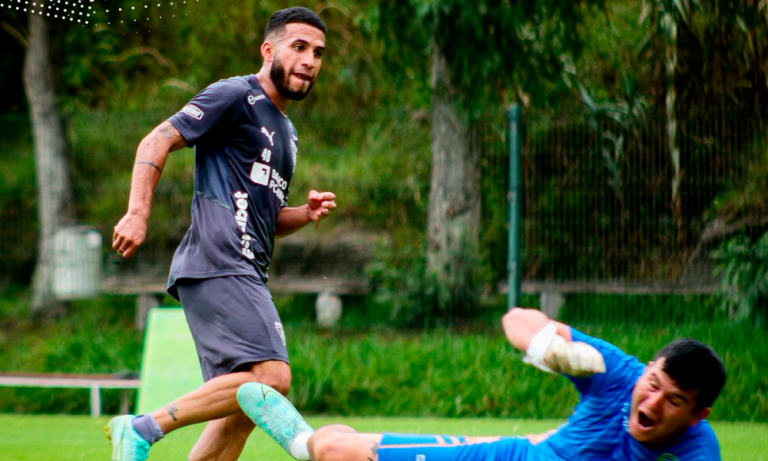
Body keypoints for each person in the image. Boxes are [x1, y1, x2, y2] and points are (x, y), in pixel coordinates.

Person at [105, 7, 336, 461]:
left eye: (318, 53)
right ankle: (141, 428)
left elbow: (264, 218)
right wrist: (136, 213)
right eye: (299, 47)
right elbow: (156, 141)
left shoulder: (286, 132)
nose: (310, 60)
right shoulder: (236, 95)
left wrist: (303, 215)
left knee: (244, 411)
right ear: (269, 50)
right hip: (219, 261)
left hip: (242, 267)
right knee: (272, 379)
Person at [237, 307, 726, 461]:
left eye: (674, 400)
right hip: (513, 456)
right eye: (654, 381)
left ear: (697, 414)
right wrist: (547, 347)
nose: (653, 400)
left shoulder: (697, 448)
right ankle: (305, 443)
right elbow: (517, 318)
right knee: (333, 452)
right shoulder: (619, 373)